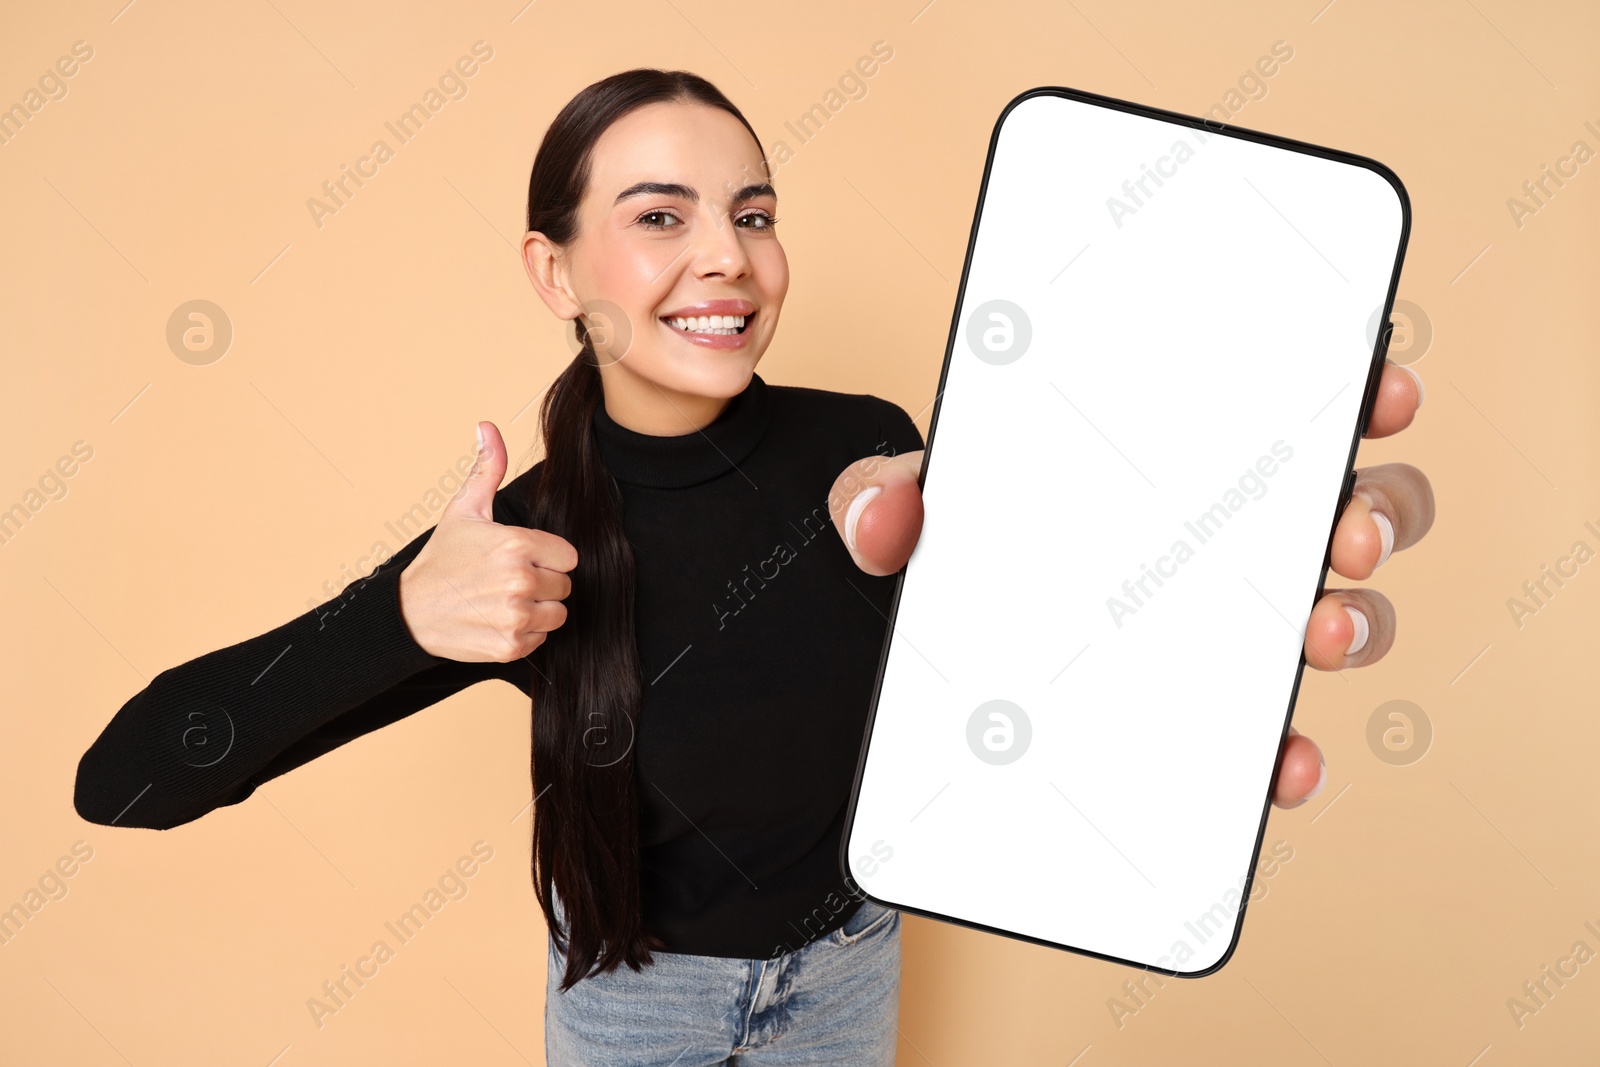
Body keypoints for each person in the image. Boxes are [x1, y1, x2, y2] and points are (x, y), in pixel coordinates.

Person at [73, 68, 1434, 1065]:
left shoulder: (874, 455)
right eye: (660, 217)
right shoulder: (528, 538)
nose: (728, 255)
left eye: (754, 211)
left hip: (847, 983)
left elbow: (1027, 668)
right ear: (555, 273)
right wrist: (408, 621)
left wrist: (1220, 549)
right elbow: (126, 781)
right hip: (628, 1004)